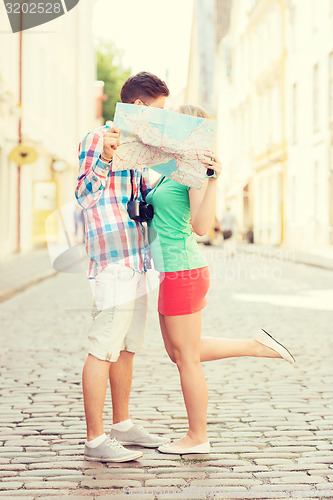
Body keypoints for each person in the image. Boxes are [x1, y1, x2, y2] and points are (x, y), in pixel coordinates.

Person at [145, 104, 295, 455]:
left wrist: (212, 180)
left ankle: (197, 436)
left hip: (184, 268)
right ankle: (255, 346)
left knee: (186, 357)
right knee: (178, 352)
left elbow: (200, 225)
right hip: (171, 269)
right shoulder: (171, 169)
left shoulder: (196, 168)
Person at [75, 72, 170, 463]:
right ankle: (96, 440)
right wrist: (106, 158)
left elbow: (142, 197)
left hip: (137, 257)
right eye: (159, 111)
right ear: (140, 106)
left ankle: (122, 424)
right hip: (113, 257)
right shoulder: (99, 138)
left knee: (128, 346)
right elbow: (83, 195)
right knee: (104, 346)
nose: (162, 118)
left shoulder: (140, 147)